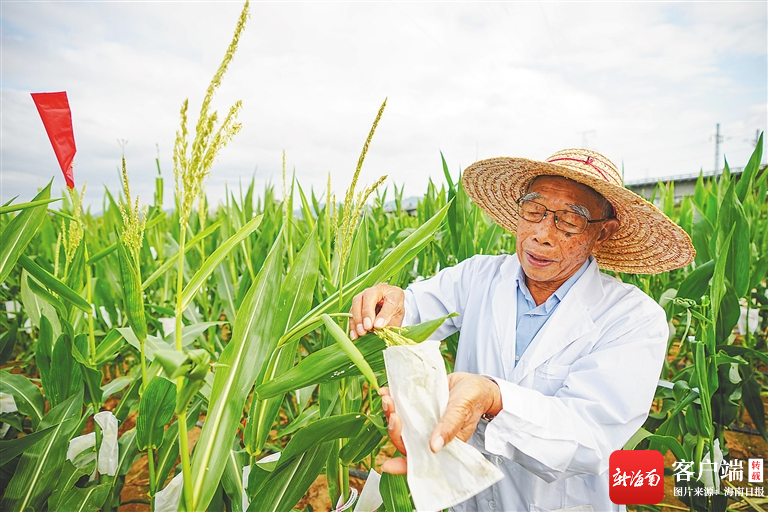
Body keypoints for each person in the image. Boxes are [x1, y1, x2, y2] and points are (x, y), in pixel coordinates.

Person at [348, 148, 695, 512]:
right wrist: (390, 303)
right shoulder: (477, 275)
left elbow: (591, 435)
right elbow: (415, 310)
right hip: (469, 498)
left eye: (569, 221)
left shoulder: (633, 318)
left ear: (603, 233)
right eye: (534, 211)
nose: (542, 234)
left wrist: (492, 397)